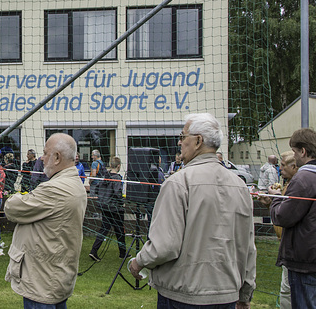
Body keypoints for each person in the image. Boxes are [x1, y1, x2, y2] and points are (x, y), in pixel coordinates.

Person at [129, 113, 255, 309]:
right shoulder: (240, 186)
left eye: (182, 136)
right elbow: (247, 247)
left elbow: (164, 246)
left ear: (198, 141)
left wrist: (138, 262)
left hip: (183, 295)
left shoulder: (178, 183)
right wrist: (244, 294)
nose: (179, 143)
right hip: (226, 295)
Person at [5, 133, 87, 308]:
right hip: (55, 276)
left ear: (57, 157)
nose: (42, 158)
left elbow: (12, 209)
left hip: (42, 281)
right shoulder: (73, 183)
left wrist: (18, 196)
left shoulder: (55, 189)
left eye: (45, 153)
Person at [266, 128, 316, 308]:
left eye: (294, 152)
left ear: (303, 151)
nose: (294, 157)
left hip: (306, 262)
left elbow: (283, 217)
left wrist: (275, 199)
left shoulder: (304, 178)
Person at [260, 151, 296, 309]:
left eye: (282, 165)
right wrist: (270, 204)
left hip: (294, 249)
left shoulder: (296, 188)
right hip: (286, 246)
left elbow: (286, 217)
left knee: (287, 291)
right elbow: (280, 216)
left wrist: (274, 200)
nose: (279, 169)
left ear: (294, 167)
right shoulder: (287, 185)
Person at [88, 156, 126, 261]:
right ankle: (122, 253)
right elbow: (117, 192)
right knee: (119, 230)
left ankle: (94, 251)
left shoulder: (106, 176)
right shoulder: (117, 178)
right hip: (114, 207)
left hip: (104, 206)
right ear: (118, 166)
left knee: (105, 229)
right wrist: (122, 203)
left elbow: (97, 188)